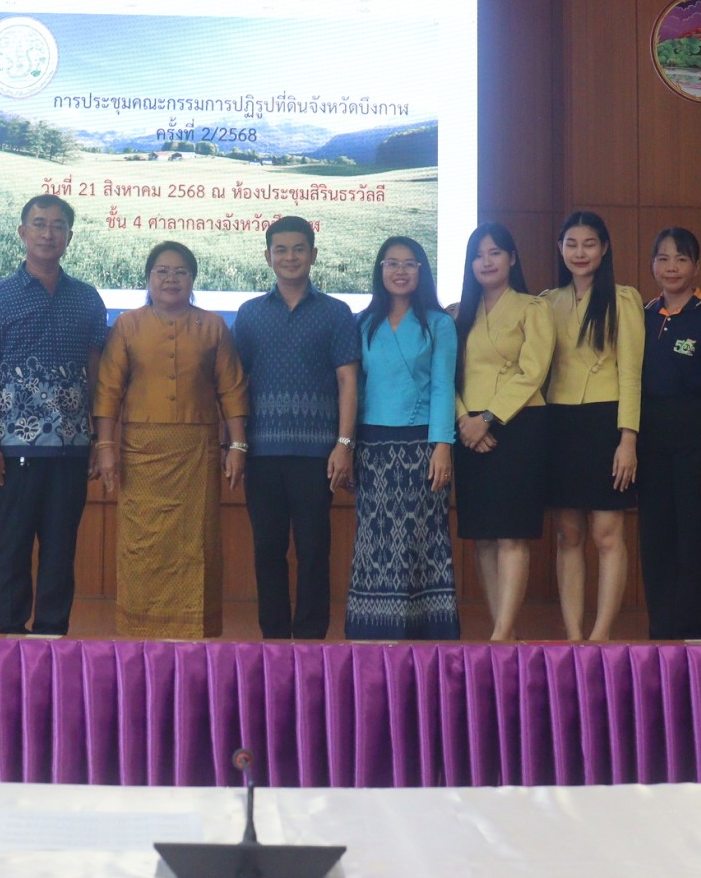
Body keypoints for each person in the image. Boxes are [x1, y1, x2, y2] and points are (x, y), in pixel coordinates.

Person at [0, 194, 110, 636]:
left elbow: (97, 375)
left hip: (70, 448)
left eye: (58, 225)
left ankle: (51, 634)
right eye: (40, 224)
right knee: (11, 547)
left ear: (69, 235)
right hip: (11, 449)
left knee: (61, 550)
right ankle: (7, 637)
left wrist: (99, 440)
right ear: (23, 232)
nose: (49, 233)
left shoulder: (86, 298)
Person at [94, 242, 248, 638]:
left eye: (180, 272)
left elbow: (231, 389)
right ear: (148, 278)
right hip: (139, 453)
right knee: (141, 550)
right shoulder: (127, 325)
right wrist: (106, 447)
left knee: (195, 547)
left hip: (196, 454)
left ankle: (193, 633)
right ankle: (138, 631)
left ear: (193, 279)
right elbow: (109, 390)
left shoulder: (213, 326)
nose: (171, 279)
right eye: (162, 271)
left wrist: (237, 446)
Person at [233, 215, 360, 641]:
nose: (290, 257)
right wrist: (233, 443)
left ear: (313, 255)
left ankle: (309, 640)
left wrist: (344, 444)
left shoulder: (337, 313)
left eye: (298, 249)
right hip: (262, 453)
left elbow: (348, 380)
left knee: (313, 551)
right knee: (267, 550)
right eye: (281, 250)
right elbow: (235, 385)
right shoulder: (249, 314)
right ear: (268, 256)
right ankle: (273, 637)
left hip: (317, 456)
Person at [345, 237, 459, 641]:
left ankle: (425, 629)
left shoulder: (439, 323)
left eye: (410, 264)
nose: (400, 271)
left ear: (421, 271)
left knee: (419, 537)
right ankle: (374, 627)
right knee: (374, 538)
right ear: (380, 270)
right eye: (392, 263)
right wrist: (348, 446)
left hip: (420, 448)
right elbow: (354, 388)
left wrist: (442, 445)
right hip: (373, 448)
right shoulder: (361, 322)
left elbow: (445, 387)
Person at [543, 211, 644, 643]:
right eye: (571, 244)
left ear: (604, 249)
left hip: (607, 422)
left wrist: (628, 439)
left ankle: (600, 636)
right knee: (569, 535)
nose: (579, 252)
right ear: (561, 249)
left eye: (589, 244)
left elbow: (631, 374)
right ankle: (572, 635)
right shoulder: (546, 301)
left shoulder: (624, 299)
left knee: (606, 535)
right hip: (559, 423)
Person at [635, 227, 701, 641]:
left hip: (699, 444)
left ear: (696, 266)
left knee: (699, 541)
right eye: (663, 258)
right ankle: (662, 634)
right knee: (656, 540)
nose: (671, 267)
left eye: (681, 258)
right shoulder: (642, 315)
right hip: (651, 446)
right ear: (652, 265)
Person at [453, 223, 554, 642]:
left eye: (496, 252)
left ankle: (500, 636)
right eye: (479, 254)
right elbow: (448, 376)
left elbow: (534, 372)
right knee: (483, 538)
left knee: (512, 534)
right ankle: (504, 633)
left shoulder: (534, 307)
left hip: (518, 426)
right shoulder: (459, 313)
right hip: (467, 430)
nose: (487, 261)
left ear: (512, 258)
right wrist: (464, 421)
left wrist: (488, 418)